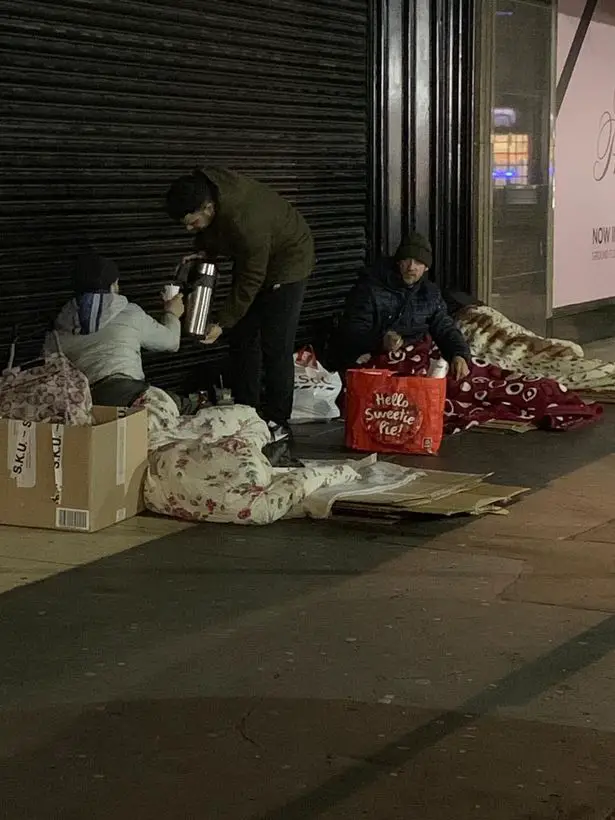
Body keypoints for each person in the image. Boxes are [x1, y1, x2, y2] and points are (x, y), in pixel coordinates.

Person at [164, 167, 315, 441]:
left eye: (193, 223)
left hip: (288, 262)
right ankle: (247, 410)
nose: (189, 230)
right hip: (256, 256)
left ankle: (278, 421)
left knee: (275, 344)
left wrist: (222, 322)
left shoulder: (246, 222)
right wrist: (204, 250)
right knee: (243, 337)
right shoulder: (211, 191)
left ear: (208, 207)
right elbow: (219, 232)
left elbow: (251, 278)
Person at [48, 252, 184, 407]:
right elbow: (171, 342)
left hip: (84, 404)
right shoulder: (130, 313)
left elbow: (50, 372)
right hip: (130, 395)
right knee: (182, 404)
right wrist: (172, 313)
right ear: (113, 285)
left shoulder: (58, 326)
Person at [337, 232, 471, 379]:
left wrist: (459, 354)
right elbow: (352, 332)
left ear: (426, 268)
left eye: (419, 262)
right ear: (398, 262)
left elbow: (444, 327)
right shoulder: (370, 288)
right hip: (376, 360)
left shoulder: (430, 293)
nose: (411, 267)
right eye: (407, 260)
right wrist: (381, 341)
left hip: (418, 356)